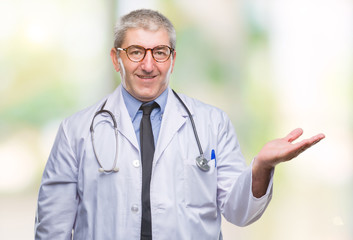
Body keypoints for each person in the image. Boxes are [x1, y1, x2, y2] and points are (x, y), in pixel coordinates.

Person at [34, 9, 325, 240]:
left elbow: (240, 212)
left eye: (159, 52)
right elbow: (52, 229)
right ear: (116, 58)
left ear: (172, 59)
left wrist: (261, 166)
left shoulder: (212, 123)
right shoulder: (76, 131)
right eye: (136, 52)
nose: (148, 65)